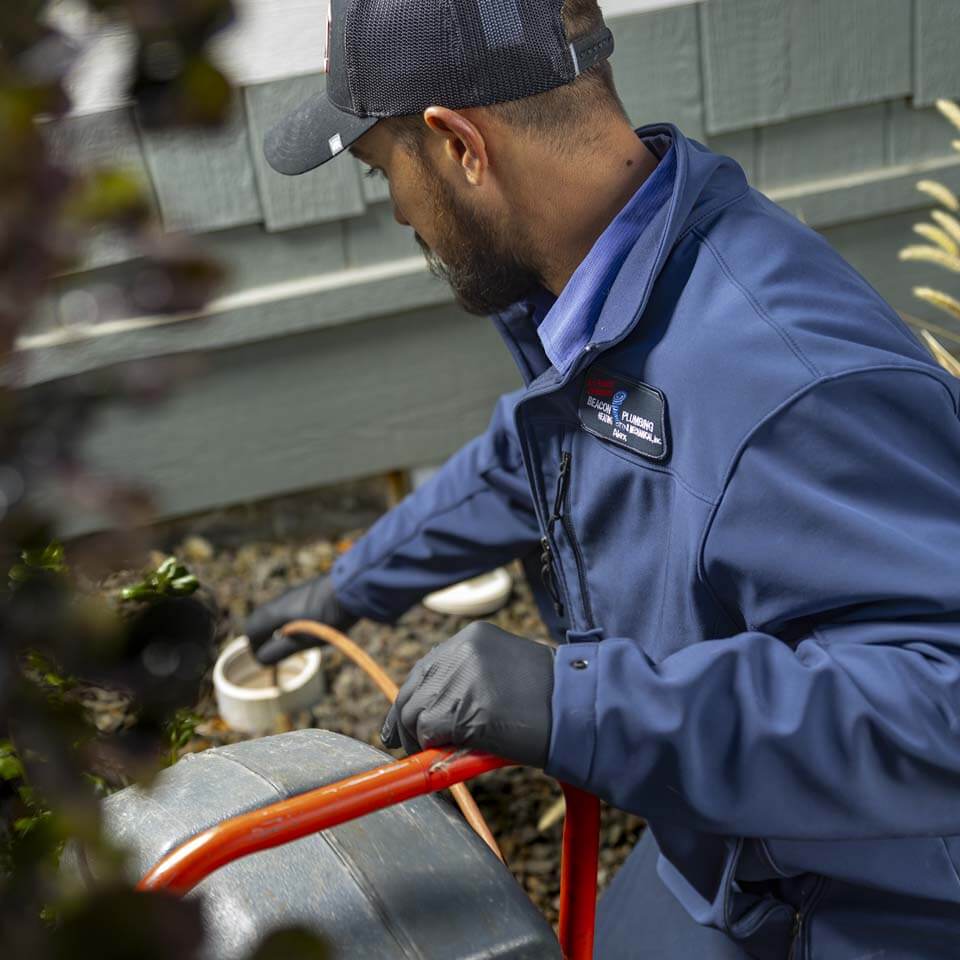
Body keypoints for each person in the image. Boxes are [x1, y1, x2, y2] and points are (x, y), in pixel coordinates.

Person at [246, 0, 960, 956]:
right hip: (720, 852)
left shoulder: (789, 381)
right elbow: (529, 456)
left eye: (386, 173)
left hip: (866, 903)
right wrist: (347, 584)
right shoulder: (614, 283)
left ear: (460, 145)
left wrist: (580, 704)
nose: (400, 214)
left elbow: (939, 700)